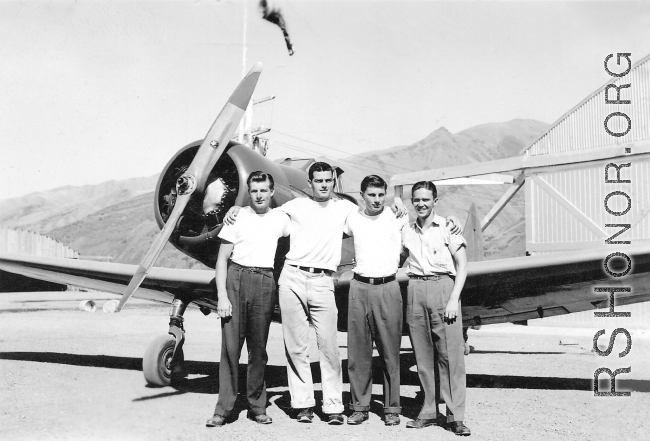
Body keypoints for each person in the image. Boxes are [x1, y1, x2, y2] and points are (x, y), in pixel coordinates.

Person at [206, 171, 291, 428]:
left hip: (265, 280)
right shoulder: (237, 217)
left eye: (264, 190)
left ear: (272, 192)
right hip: (236, 278)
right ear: (249, 192)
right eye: (254, 190)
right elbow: (222, 260)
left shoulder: (281, 219)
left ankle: (257, 406)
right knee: (231, 349)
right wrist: (222, 295)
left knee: (258, 350)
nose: (259, 195)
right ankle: (224, 409)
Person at [401, 180, 471, 436]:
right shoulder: (407, 230)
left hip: (443, 287)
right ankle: (429, 411)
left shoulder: (447, 228)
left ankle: (455, 416)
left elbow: (462, 265)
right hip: (415, 288)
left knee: (450, 356)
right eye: (416, 199)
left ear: (435, 201)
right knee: (422, 356)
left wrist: (454, 299)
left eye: (426, 199)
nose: (421, 204)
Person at [344, 175, 409, 427]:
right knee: (358, 352)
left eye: (381, 194)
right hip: (359, 286)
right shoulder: (352, 219)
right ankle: (359, 406)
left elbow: (417, 232)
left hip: (388, 286)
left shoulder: (397, 216)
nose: (377, 199)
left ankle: (392, 407)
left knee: (390, 351)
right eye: (371, 195)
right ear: (362, 196)